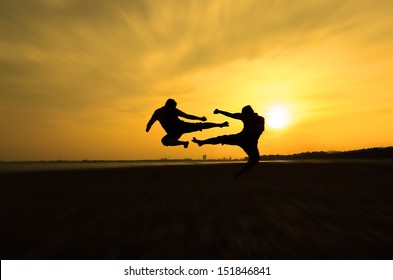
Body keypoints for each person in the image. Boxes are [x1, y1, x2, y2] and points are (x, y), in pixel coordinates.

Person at [192, 105, 264, 178]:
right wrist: (220, 111)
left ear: (250, 113)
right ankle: (202, 142)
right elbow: (231, 115)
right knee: (221, 138)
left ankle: (240, 173)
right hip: (241, 138)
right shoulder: (244, 116)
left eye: (245, 114)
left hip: (250, 142)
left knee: (255, 159)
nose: (244, 116)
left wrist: (251, 136)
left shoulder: (259, 119)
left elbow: (260, 130)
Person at [146, 99, 229, 148]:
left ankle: (220, 125)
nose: (174, 109)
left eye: (174, 108)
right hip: (173, 133)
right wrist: (148, 127)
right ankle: (184, 143)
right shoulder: (158, 112)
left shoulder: (174, 110)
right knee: (164, 141)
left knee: (200, 125)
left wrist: (200, 118)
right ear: (167, 106)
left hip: (182, 126)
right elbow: (151, 121)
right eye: (172, 108)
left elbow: (187, 116)